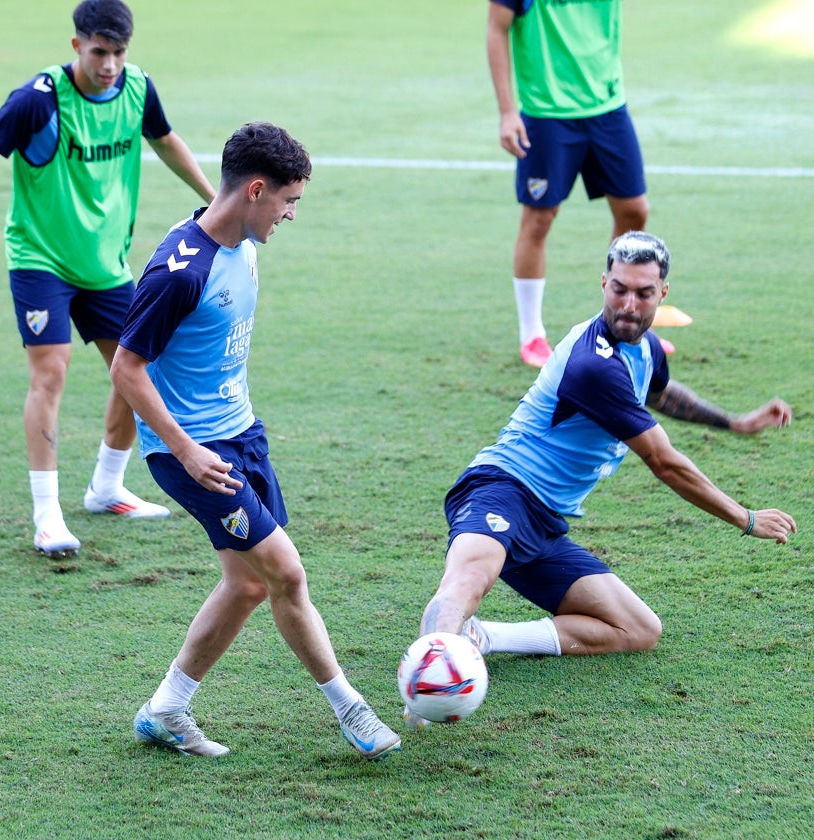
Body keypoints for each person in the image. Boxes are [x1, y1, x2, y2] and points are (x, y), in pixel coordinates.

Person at [416, 231, 796, 722]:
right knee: (466, 580)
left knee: (638, 629)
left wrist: (734, 422)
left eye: (643, 293)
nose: (629, 305)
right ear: (603, 283)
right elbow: (665, 463)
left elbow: (660, 393)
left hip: (547, 522)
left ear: (663, 294)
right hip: (502, 489)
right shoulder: (592, 366)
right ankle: (429, 672)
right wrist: (745, 518)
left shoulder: (645, 347)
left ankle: (482, 638)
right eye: (619, 289)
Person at [111, 122, 401, 760]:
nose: (291, 214)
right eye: (289, 201)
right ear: (256, 190)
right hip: (197, 457)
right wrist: (184, 449)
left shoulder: (243, 241)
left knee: (245, 585)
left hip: (243, 435)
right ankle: (351, 709)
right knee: (287, 575)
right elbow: (125, 369)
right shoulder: (177, 274)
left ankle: (166, 710)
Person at [0, 0, 215, 557]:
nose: (109, 64)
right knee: (49, 373)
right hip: (40, 261)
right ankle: (47, 514)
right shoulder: (37, 101)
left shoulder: (137, 90)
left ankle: (106, 487)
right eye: (99, 52)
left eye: (119, 53)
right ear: (77, 45)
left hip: (105, 264)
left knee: (137, 371)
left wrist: (214, 201)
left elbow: (166, 140)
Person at [487, 0, 655, 368]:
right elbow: (496, 29)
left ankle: (614, 324)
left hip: (608, 106)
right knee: (539, 218)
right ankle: (531, 333)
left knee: (634, 211)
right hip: (547, 113)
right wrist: (507, 111)